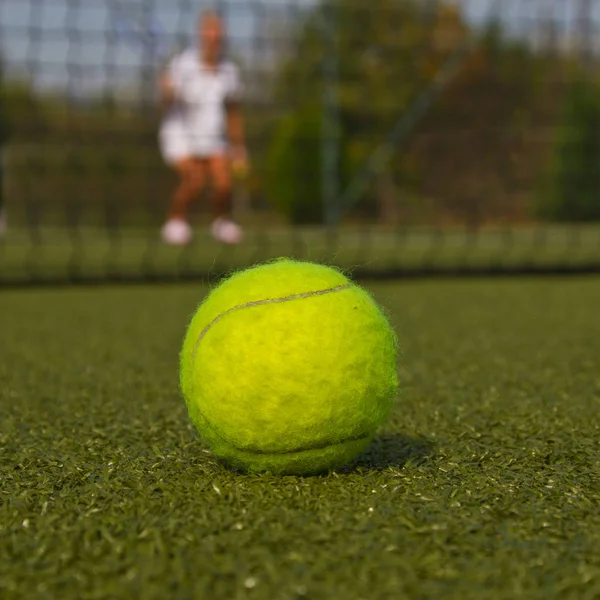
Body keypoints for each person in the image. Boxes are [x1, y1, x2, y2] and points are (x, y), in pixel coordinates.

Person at [158, 10, 247, 245]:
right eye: (209, 32)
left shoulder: (230, 71)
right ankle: (175, 221)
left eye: (218, 33)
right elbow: (166, 104)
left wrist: (238, 148)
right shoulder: (182, 64)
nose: (214, 38)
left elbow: (233, 112)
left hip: (213, 135)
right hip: (180, 135)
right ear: (201, 35)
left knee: (224, 183)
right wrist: (166, 90)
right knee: (195, 181)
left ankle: (221, 222)